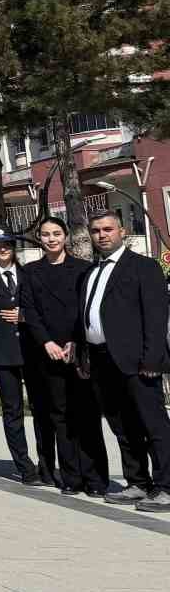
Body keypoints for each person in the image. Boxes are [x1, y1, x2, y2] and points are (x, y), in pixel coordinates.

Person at [77, 210, 170, 511]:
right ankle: (137, 482)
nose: (101, 235)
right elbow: (87, 318)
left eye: (107, 229)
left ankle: (166, 486)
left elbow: (156, 318)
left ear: (122, 232)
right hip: (103, 361)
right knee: (123, 426)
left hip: (138, 362)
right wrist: (84, 355)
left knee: (153, 425)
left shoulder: (144, 267)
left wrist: (153, 360)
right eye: (95, 230)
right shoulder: (90, 272)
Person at [21, 215, 106, 496]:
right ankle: (71, 477)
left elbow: (89, 309)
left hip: (78, 352)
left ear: (66, 236)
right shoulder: (31, 272)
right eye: (45, 234)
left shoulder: (84, 269)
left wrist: (75, 341)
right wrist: (46, 343)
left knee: (87, 414)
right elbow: (30, 312)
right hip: (49, 355)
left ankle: (95, 479)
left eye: (56, 233)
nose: (51, 239)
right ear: (39, 238)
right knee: (60, 416)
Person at [0, 228, 39, 483]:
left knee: (41, 410)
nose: (3, 249)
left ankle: (46, 464)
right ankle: (24, 465)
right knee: (12, 411)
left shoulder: (29, 275)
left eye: (6, 244)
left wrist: (24, 316)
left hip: (31, 351)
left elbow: (41, 309)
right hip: (3, 355)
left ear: (13, 247)